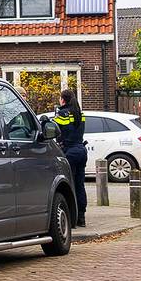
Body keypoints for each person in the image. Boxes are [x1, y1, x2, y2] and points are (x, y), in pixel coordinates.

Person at [54, 89, 88, 227]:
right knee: (80, 185)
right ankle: (81, 217)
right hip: (81, 150)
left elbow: (56, 131)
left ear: (63, 100)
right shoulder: (80, 113)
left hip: (69, 152)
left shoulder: (62, 113)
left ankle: (71, 218)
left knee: (69, 186)